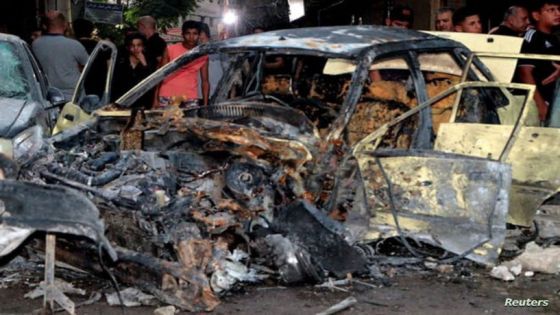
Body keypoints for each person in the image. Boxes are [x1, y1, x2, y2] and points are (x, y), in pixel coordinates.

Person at [517, 0, 560, 123]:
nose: (557, 13)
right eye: (551, 10)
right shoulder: (532, 36)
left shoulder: (554, 38)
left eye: (558, 9)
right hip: (538, 102)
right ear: (536, 15)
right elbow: (524, 72)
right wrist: (540, 103)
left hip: (553, 99)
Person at [32, 11, 89, 100]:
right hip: (72, 97)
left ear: (45, 26)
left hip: (46, 95)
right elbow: (86, 66)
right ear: (65, 25)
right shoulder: (74, 45)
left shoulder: (36, 44)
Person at [157, 20, 209, 107]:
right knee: (166, 121)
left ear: (199, 35)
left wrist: (206, 104)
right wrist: (155, 98)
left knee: (191, 121)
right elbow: (159, 75)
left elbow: (205, 81)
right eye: (188, 33)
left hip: (190, 96)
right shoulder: (170, 49)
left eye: (195, 33)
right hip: (167, 94)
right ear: (182, 34)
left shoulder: (202, 55)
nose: (191, 37)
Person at [112, 33, 154, 108]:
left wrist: (144, 63)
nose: (135, 48)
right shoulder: (121, 61)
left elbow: (151, 80)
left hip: (142, 102)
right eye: (132, 46)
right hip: (122, 101)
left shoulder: (149, 61)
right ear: (128, 47)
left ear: (143, 47)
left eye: (139, 45)